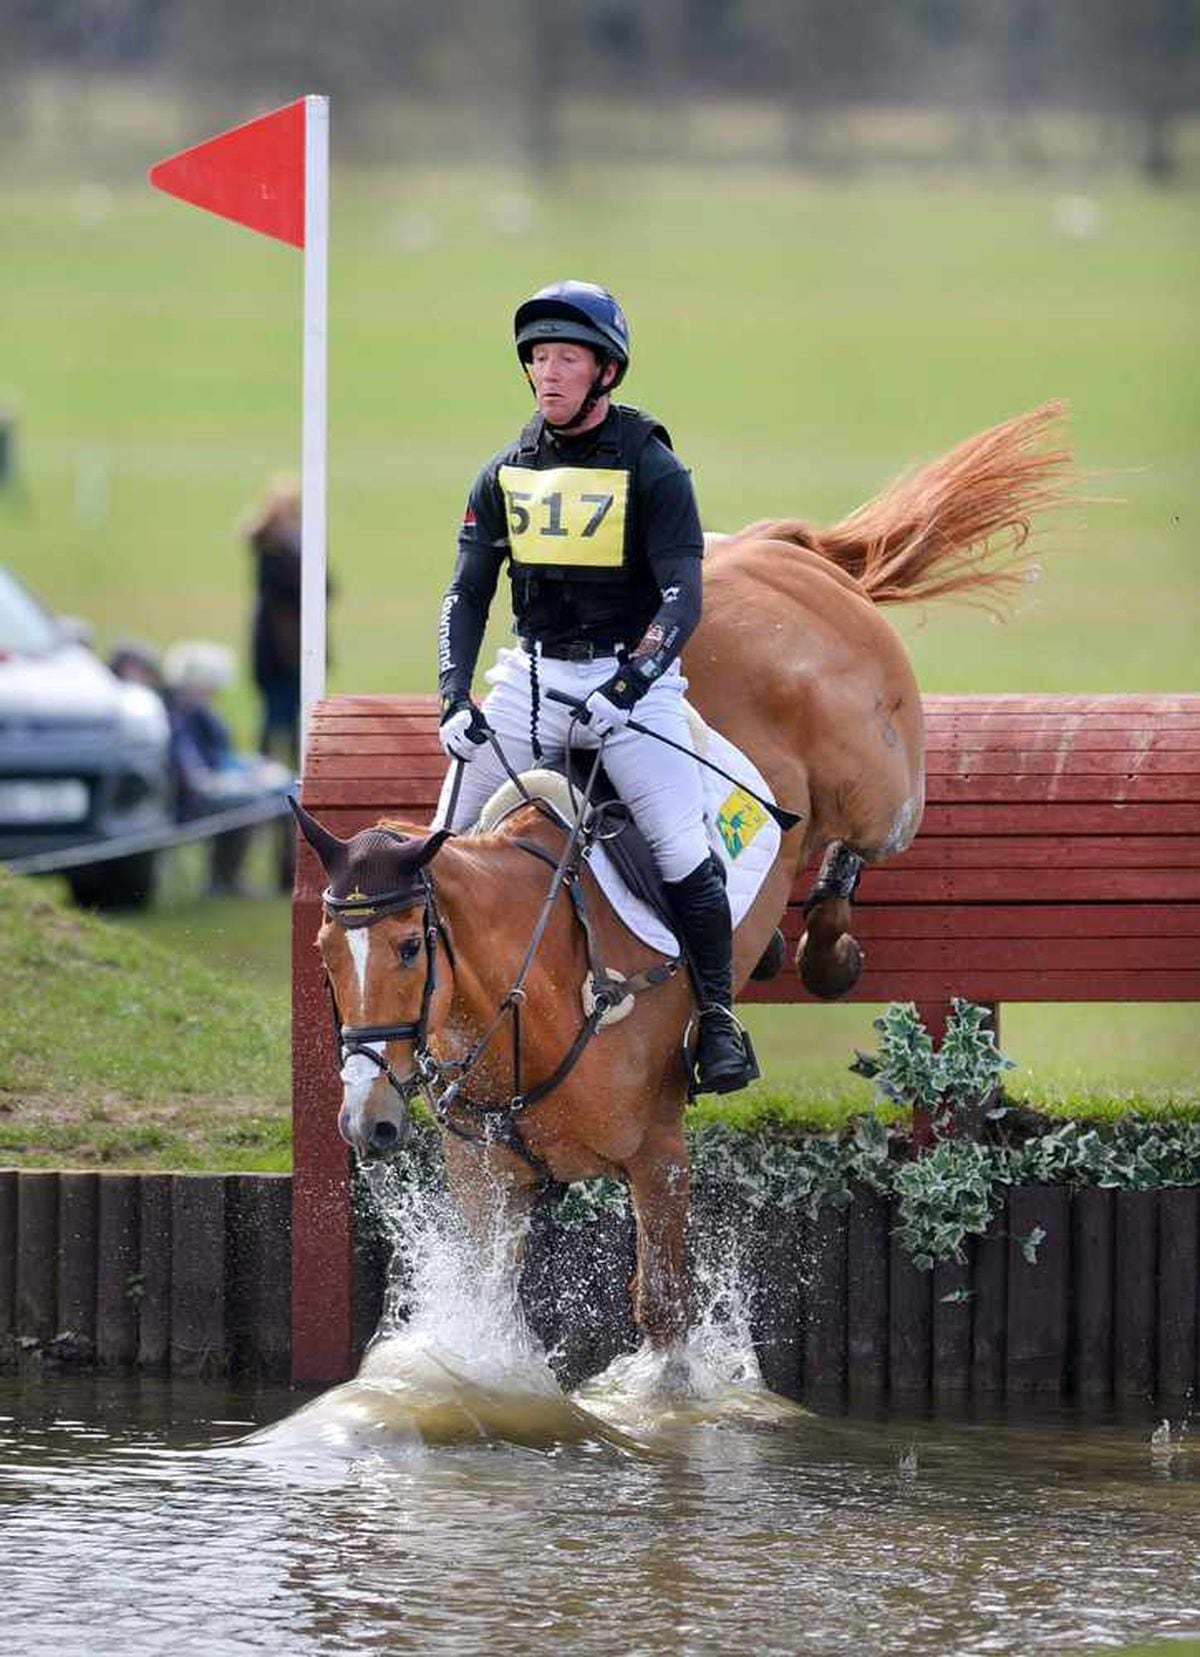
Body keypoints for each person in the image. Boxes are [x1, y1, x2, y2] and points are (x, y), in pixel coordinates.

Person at [432, 279, 755, 1095]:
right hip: (529, 682)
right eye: (539, 357)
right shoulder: (503, 473)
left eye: (566, 357)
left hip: (631, 689)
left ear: (605, 370)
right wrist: (452, 697)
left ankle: (718, 1019)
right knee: (435, 849)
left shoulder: (654, 467)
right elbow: (466, 594)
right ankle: (429, 1021)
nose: (548, 372)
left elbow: (684, 597)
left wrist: (633, 679)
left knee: (684, 850)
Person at [162, 640, 291, 895]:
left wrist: (252, 768)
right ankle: (223, 881)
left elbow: (221, 758)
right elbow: (195, 777)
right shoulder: (175, 720)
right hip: (189, 803)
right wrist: (240, 778)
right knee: (250, 802)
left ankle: (288, 879)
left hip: (210, 789)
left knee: (287, 792)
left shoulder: (201, 715)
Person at [242, 475, 303, 765]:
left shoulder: (291, 545)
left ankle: (287, 769)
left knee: (288, 717)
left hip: (289, 646)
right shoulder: (274, 550)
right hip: (280, 649)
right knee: (276, 716)